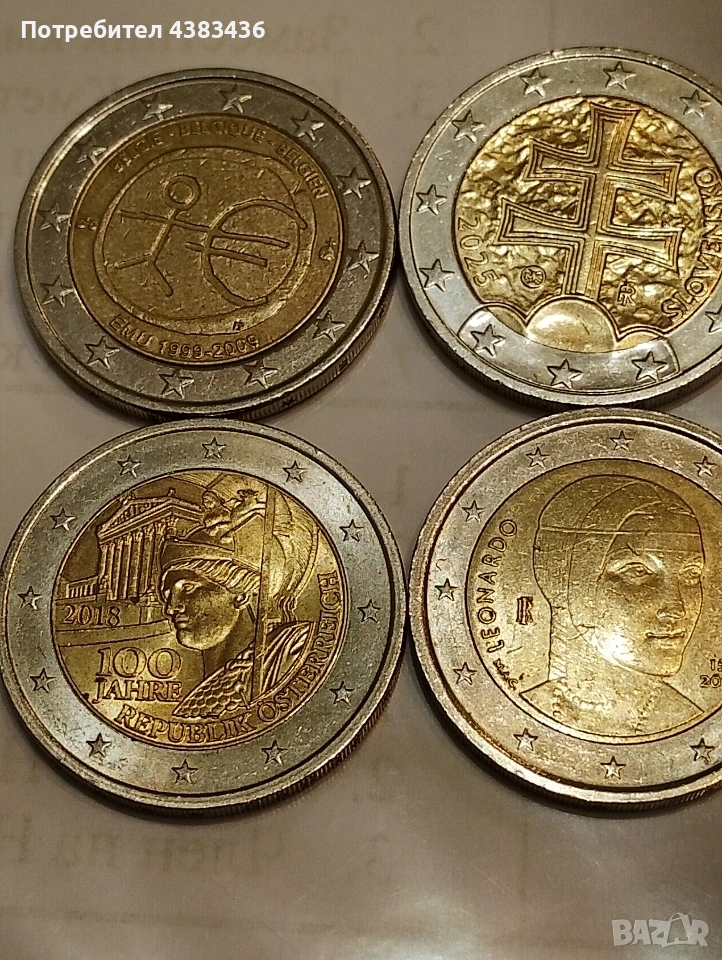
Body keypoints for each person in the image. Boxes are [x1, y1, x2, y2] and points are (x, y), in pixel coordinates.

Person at [523, 474, 705, 736]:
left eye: (691, 574)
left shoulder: (689, 723)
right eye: (638, 571)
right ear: (570, 582)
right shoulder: (515, 713)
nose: (677, 608)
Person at [159, 481, 315, 722]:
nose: (171, 608)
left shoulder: (288, 654)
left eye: (188, 588)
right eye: (168, 595)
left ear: (241, 594)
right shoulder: (205, 690)